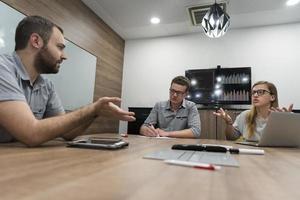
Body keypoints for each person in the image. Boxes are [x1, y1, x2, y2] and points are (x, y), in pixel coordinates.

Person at [0, 15, 135, 146]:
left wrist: (95, 112)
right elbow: (31, 133)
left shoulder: (46, 85)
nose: (64, 56)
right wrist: (92, 109)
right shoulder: (2, 68)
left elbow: (68, 133)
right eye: (60, 47)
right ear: (36, 41)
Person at [213, 81, 293, 141]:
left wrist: (287, 124)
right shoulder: (245, 115)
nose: (255, 95)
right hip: (250, 157)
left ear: (272, 97)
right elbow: (232, 138)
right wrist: (229, 123)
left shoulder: (283, 116)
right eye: (253, 92)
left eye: (260, 92)